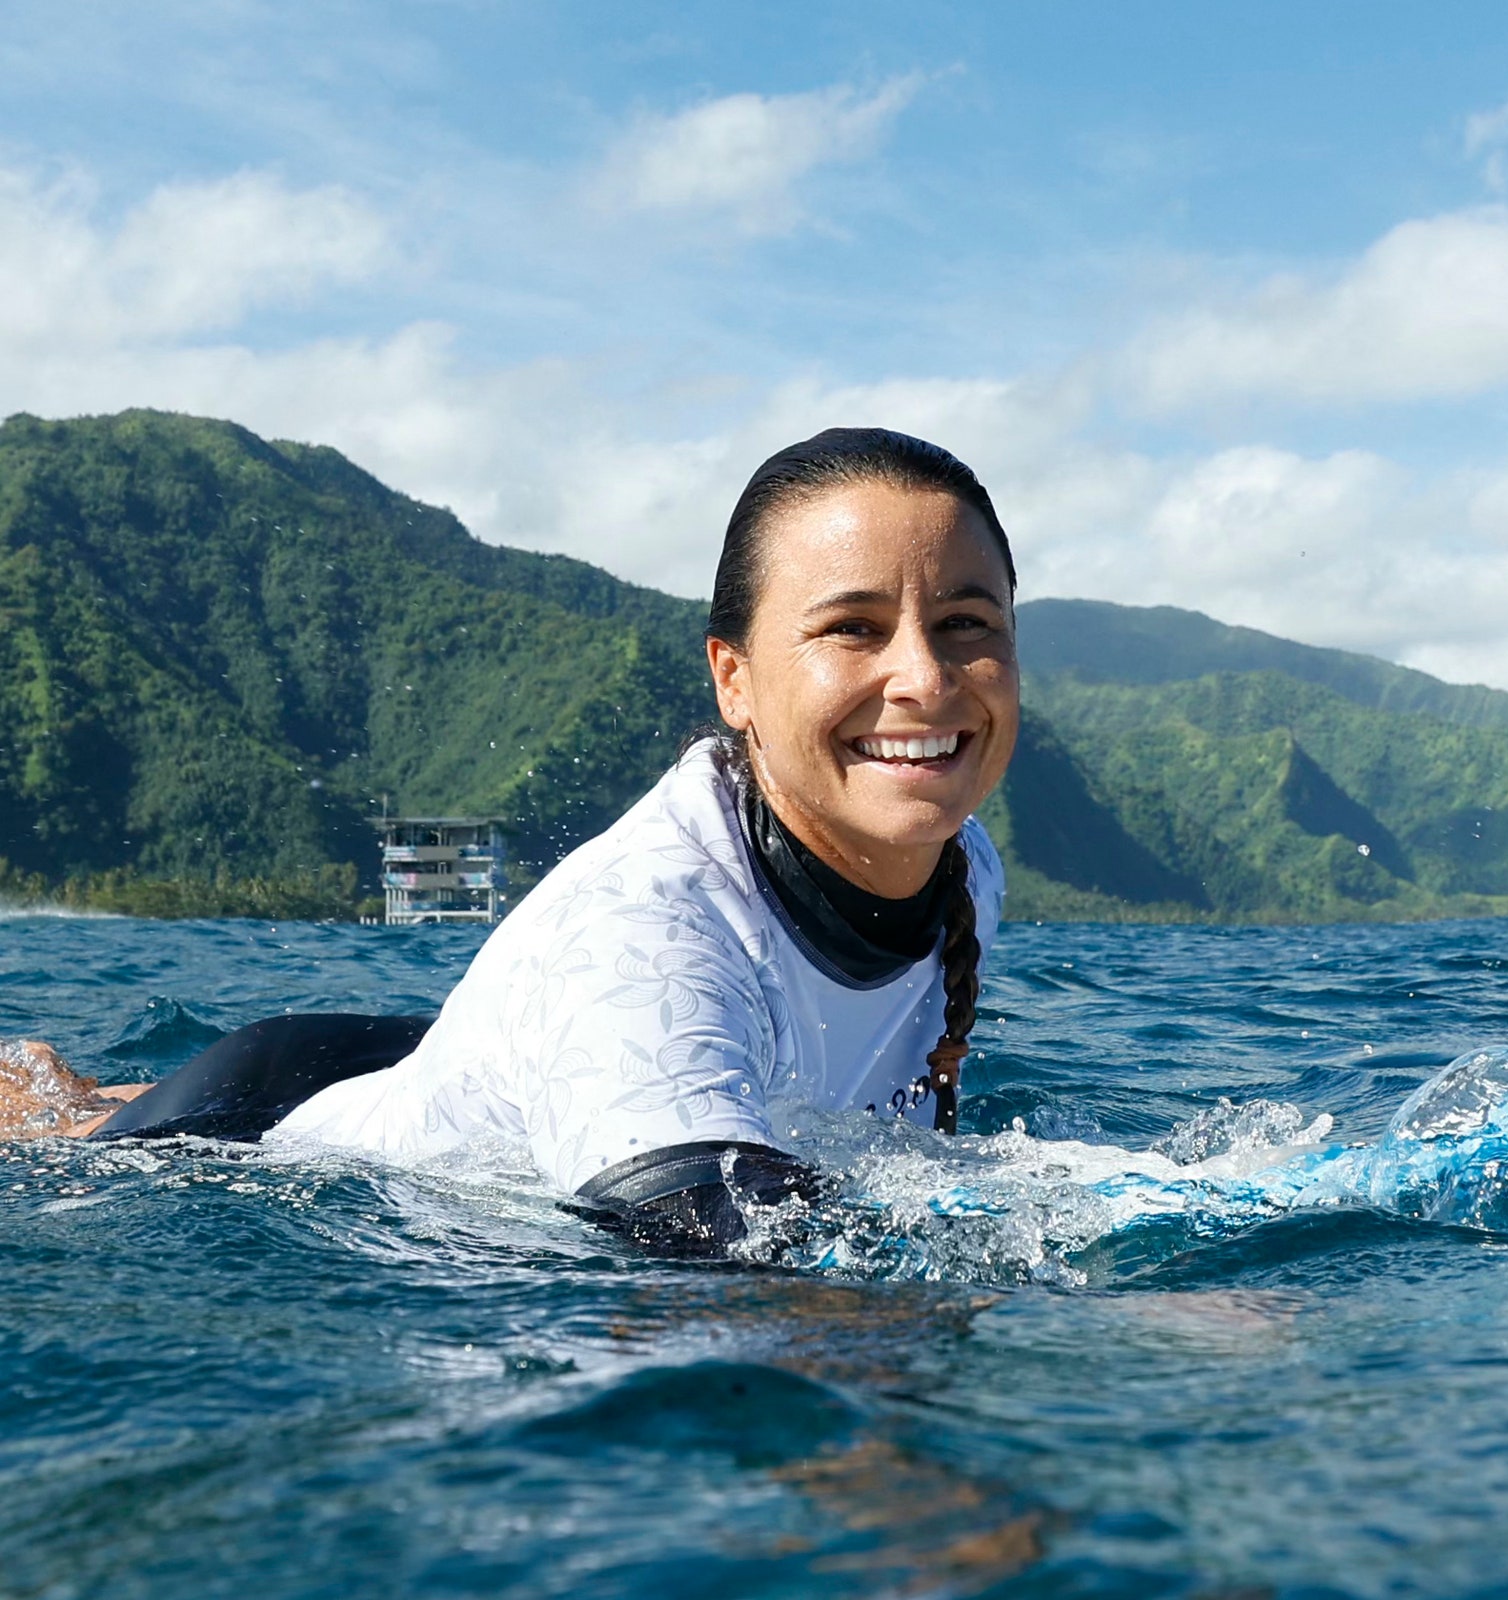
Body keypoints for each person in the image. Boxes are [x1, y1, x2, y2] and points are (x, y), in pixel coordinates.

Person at [6, 428, 1020, 1255]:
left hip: (464, 1056)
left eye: (968, 623)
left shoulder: (960, 860)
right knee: (62, 1138)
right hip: (262, 1123)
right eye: (851, 627)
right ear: (733, 678)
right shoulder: (646, 936)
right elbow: (739, 1257)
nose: (926, 680)